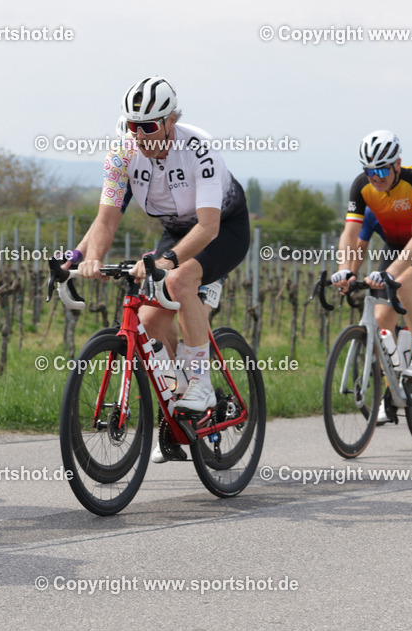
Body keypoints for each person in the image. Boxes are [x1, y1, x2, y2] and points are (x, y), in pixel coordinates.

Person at [72, 76, 251, 462]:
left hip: (222, 227)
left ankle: (200, 381)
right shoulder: (121, 155)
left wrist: (168, 260)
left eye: (149, 126)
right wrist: (90, 258)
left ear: (170, 120)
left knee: (180, 279)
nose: (139, 134)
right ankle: (176, 410)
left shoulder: (197, 147)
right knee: (150, 323)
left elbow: (208, 227)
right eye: (133, 125)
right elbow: (105, 221)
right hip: (177, 231)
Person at [332, 130, 412, 380]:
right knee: (381, 320)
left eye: (381, 170)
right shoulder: (361, 185)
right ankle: (391, 388)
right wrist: (345, 268)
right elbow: (350, 235)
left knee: (404, 284)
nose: (374, 178)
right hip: (396, 248)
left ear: (397, 164)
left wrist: (389, 273)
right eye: (369, 171)